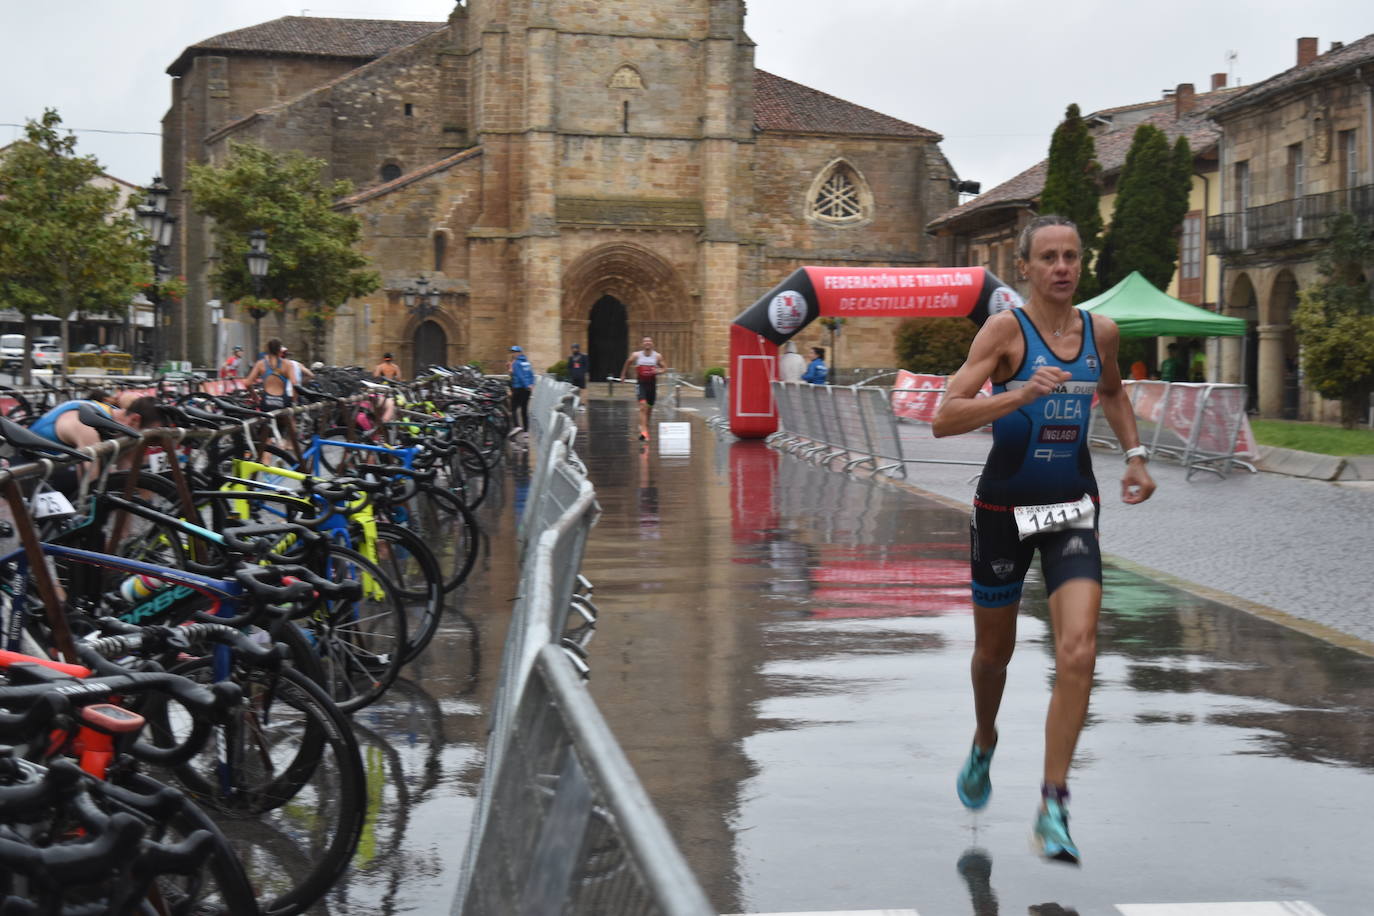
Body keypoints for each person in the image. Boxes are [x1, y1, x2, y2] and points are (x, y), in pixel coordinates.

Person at [933, 214, 1156, 866]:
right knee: (992, 658)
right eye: (1048, 257)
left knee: (1080, 650)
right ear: (1026, 267)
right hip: (1003, 507)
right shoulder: (1006, 331)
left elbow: (1111, 392)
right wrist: (1019, 393)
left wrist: (1136, 454)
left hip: (1068, 509)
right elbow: (946, 415)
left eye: (1072, 256)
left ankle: (1053, 805)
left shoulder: (1100, 332)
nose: (1062, 267)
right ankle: (983, 740)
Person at [244, 338, 314, 410]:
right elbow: (294, 384)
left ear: (268, 349)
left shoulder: (261, 364)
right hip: (282, 400)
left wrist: (255, 397)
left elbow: (247, 383)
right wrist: (294, 401)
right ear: (279, 350)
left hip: (266, 400)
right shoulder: (288, 364)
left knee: (265, 419)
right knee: (288, 420)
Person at [620, 336, 664, 441]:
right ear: (642, 344)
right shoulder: (636, 355)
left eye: (649, 341)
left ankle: (644, 426)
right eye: (645, 341)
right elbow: (628, 362)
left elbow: (664, 367)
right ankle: (643, 432)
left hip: (652, 385)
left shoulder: (657, 356)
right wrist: (623, 374)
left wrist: (659, 371)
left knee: (649, 409)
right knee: (642, 406)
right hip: (641, 384)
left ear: (652, 343)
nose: (647, 343)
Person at [508, 345, 534, 432]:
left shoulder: (516, 363)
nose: (513, 354)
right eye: (512, 352)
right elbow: (531, 375)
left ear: (519, 352)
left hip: (519, 388)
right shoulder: (527, 362)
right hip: (527, 390)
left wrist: (526, 385)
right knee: (524, 410)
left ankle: (517, 426)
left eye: (515, 352)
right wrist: (531, 385)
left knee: (513, 408)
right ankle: (526, 431)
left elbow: (520, 376)